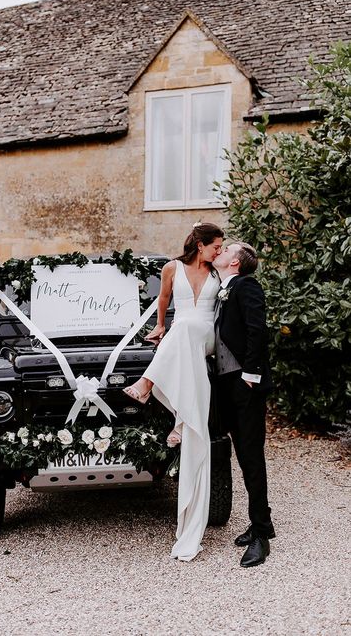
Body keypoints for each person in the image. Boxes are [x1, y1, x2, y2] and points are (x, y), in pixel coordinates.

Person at [123, 223, 224, 561]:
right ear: (199, 244)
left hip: (206, 334)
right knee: (180, 332)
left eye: (221, 248)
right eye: (215, 247)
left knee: (186, 330)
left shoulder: (218, 270)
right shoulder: (171, 267)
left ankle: (146, 384)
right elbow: (163, 300)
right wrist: (160, 326)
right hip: (182, 332)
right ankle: (182, 422)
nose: (218, 252)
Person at [212, 241, 275, 568]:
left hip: (244, 384)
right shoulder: (224, 287)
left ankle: (261, 537)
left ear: (235, 262)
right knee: (243, 454)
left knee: (251, 456)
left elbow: (257, 330)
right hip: (228, 385)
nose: (219, 253)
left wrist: (250, 375)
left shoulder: (246, 285)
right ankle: (262, 522)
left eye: (225, 250)